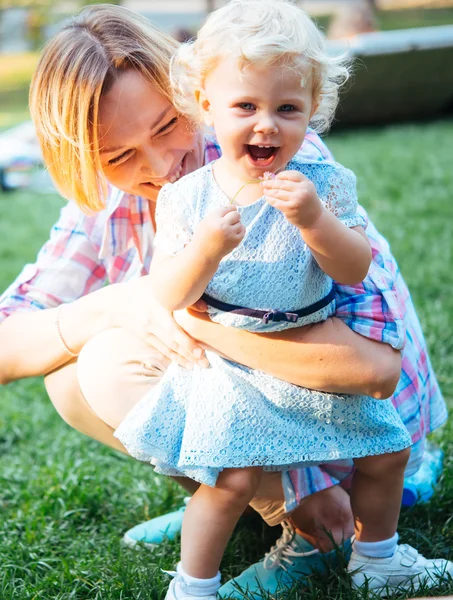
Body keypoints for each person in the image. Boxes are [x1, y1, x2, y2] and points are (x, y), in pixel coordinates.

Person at [0, 2, 447, 598]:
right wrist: (114, 306)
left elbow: (374, 369)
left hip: (359, 435)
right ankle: (245, 504)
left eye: (165, 126)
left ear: (195, 95)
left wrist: (192, 320)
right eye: (119, 155)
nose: (161, 164)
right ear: (89, 158)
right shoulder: (107, 203)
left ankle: (321, 519)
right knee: (76, 372)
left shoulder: (280, 161)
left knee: (115, 361)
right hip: (261, 410)